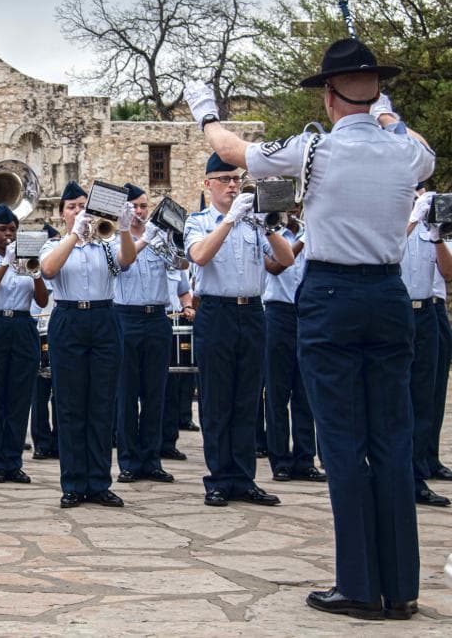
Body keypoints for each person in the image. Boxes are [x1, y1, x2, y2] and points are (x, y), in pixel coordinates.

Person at [186, 35, 435, 619]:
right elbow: (421, 149)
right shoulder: (405, 151)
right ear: (374, 94)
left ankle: (357, 583)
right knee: (392, 438)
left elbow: (232, 149)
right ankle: (399, 587)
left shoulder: (314, 151)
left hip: (330, 292)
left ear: (328, 97)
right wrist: (388, 113)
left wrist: (205, 114)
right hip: (388, 292)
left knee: (344, 441)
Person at [183, 153, 294, 509]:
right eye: (225, 180)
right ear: (208, 184)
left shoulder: (254, 224)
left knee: (248, 398)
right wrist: (229, 220)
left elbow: (286, 260)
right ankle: (218, 478)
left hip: (252, 312)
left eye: (236, 179)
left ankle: (243, 478)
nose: (233, 185)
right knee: (217, 400)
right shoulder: (198, 221)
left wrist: (269, 224)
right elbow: (199, 256)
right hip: (216, 312)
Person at [39, 181, 136, 509]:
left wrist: (123, 229)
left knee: (102, 403)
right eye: (72, 207)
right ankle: (73, 483)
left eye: (84, 206)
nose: (79, 211)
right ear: (62, 213)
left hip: (104, 318)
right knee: (69, 405)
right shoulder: (53, 244)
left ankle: (98, 481)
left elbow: (127, 262)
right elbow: (49, 269)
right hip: (68, 319)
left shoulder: (105, 245)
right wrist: (75, 236)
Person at [0, 204, 48, 484]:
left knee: (18, 398)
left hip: (23, 324)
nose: (8, 234)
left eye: (12, 230)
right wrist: (6, 262)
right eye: (2, 229)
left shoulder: (28, 260)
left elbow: (41, 300)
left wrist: (35, 271)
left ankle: (13, 461)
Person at [113, 184, 177, 484]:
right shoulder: (112, 239)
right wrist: (140, 239)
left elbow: (183, 264)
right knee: (126, 393)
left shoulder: (159, 237)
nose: (140, 212)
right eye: (134, 207)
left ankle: (152, 459)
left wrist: (168, 237)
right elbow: (122, 262)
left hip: (157, 318)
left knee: (155, 393)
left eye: (143, 206)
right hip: (126, 317)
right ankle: (128, 460)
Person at [262, 213, 325, 483]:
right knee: (278, 391)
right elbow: (276, 266)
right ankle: (280, 459)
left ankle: (305, 458)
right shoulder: (266, 234)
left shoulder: (307, 231)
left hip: (308, 313)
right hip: (277, 313)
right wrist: (302, 239)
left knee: (305, 391)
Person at [401, 186, 452, 507]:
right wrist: (412, 217)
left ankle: (419, 472)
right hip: (396, 313)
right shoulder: (390, 221)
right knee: (396, 399)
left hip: (428, 313)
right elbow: (385, 251)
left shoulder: (433, 223)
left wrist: (435, 235)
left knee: (424, 397)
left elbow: (447, 272)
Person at [31, 223, 60, 461]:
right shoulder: (34, 268)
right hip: (39, 329)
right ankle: (41, 441)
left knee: (61, 390)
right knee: (39, 390)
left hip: (58, 329)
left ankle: (59, 439)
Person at [160, 266, 194, 461]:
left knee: (172, 386)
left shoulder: (173, 256)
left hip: (172, 319)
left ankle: (167, 442)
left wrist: (187, 306)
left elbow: (183, 291)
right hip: (140, 314)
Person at [429, 268, 452, 483]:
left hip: (435, 306)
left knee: (436, 389)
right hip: (404, 304)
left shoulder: (440, 236)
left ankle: (430, 456)